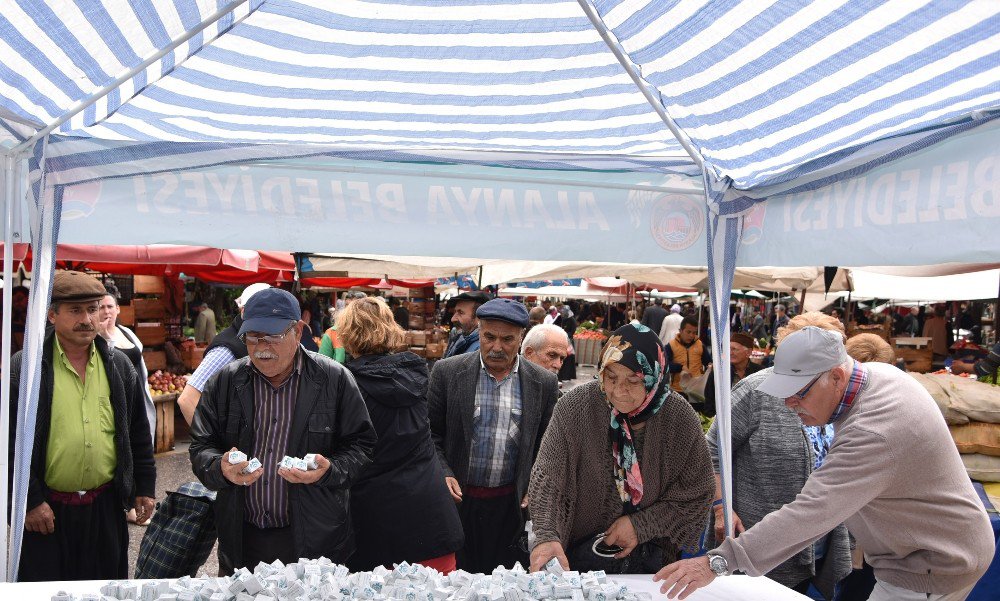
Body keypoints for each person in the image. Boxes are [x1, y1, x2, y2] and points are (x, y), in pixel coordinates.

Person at [657, 326, 995, 601]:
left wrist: (720, 560)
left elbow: (812, 511)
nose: (789, 404)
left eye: (799, 393)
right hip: (927, 548)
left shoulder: (874, 431)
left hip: (933, 561)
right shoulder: (876, 375)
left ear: (836, 376)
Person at [189, 288, 377, 574]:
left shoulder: (334, 379)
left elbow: (362, 446)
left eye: (273, 336)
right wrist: (219, 467)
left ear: (298, 330)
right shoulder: (226, 381)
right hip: (242, 538)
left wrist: (329, 470)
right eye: (253, 336)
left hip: (314, 540)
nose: (262, 347)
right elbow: (201, 445)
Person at [528, 323, 713, 574]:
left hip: (653, 564)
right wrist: (547, 535)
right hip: (578, 558)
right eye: (611, 377)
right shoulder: (575, 407)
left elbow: (698, 492)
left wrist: (643, 525)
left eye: (634, 380)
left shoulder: (679, 418)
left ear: (654, 376)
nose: (618, 391)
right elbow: (548, 482)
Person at [10, 270, 155, 581]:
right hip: (48, 513)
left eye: (93, 308)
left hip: (105, 510)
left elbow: (138, 432)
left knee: (105, 589)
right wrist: (30, 501)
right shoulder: (27, 368)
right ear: (51, 315)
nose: (88, 319)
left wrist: (143, 487)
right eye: (76, 310)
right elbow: (8, 441)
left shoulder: (119, 366)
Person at [703, 312, 851, 599]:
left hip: (815, 545)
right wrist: (722, 508)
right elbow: (711, 451)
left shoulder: (838, 393)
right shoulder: (755, 391)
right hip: (755, 544)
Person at [428, 298, 559, 573]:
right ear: (479, 331)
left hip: (509, 509)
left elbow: (546, 447)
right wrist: (443, 471)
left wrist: (535, 484)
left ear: (521, 338)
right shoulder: (447, 372)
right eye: (488, 337)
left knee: (503, 583)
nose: (496, 347)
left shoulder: (543, 383)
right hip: (458, 505)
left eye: (507, 339)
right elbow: (429, 436)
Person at [338, 297, 464, 573]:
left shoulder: (347, 386)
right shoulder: (416, 374)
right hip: (432, 521)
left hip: (377, 530)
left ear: (346, 334)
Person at [177, 283, 271, 425]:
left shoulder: (265, 343)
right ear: (243, 311)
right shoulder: (226, 350)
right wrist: (211, 444)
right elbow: (187, 400)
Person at [702, 332, 763, 418]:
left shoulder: (759, 373)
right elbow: (709, 400)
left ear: (748, 352)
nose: (730, 353)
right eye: (728, 349)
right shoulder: (719, 372)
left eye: (734, 349)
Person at [319, 290, 366, 363]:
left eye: (356, 307)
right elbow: (321, 365)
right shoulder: (332, 333)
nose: (350, 310)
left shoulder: (375, 334)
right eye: (347, 305)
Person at [665, 317, 709, 394]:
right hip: (678, 389)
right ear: (680, 331)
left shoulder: (700, 345)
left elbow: (708, 362)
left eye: (694, 333)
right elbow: (665, 365)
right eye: (688, 332)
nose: (691, 335)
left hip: (697, 389)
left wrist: (710, 365)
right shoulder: (671, 346)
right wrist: (680, 367)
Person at [443, 291, 490, 359]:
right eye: (455, 312)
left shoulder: (481, 350)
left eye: (461, 313)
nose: (453, 319)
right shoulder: (462, 338)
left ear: (479, 318)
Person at [557, 304, 577, 382]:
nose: (562, 314)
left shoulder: (572, 320)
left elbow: (572, 331)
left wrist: (565, 334)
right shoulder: (562, 318)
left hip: (569, 342)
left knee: (568, 359)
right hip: (562, 340)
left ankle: (567, 376)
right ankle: (562, 376)